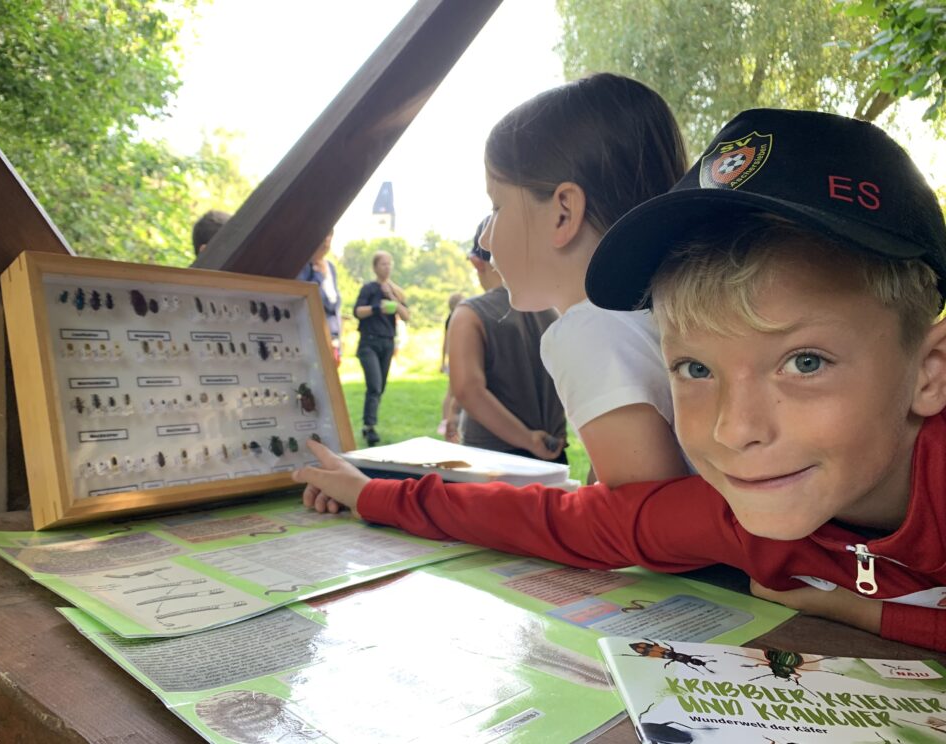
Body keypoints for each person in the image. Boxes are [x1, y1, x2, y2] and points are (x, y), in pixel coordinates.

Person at [296, 109, 946, 653]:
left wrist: (870, 615)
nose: (733, 429)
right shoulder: (731, 511)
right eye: (696, 368)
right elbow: (554, 521)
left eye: (804, 362)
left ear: (929, 371)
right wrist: (372, 495)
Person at [478, 73, 691, 485]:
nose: (485, 238)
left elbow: (644, 520)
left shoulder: (587, 331)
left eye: (496, 206)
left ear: (563, 212)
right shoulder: (662, 312)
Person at [445, 219, 567, 460]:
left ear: (476, 262)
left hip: (493, 459)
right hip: (554, 452)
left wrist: (528, 439)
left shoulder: (469, 314)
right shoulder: (555, 307)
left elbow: (468, 390)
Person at [353, 250, 410, 446]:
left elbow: (406, 316)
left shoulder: (396, 291)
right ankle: (370, 427)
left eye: (389, 263)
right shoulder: (368, 289)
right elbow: (358, 312)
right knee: (374, 385)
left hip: (387, 342)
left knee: (380, 387)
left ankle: (369, 424)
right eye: (383, 264)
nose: (387, 267)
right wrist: (378, 308)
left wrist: (391, 298)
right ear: (375, 267)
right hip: (369, 342)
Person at [297, 229, 342, 364]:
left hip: (331, 333)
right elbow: (306, 295)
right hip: (311, 333)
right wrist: (319, 276)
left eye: (330, 235)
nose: (326, 240)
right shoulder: (303, 267)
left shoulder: (331, 267)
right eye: (324, 235)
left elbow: (334, 304)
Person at [437, 291, 465, 439]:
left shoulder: (453, 318)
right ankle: (446, 421)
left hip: (454, 358)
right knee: (451, 392)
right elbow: (446, 342)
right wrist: (444, 362)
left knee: (452, 392)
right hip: (456, 359)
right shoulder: (455, 319)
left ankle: (447, 420)